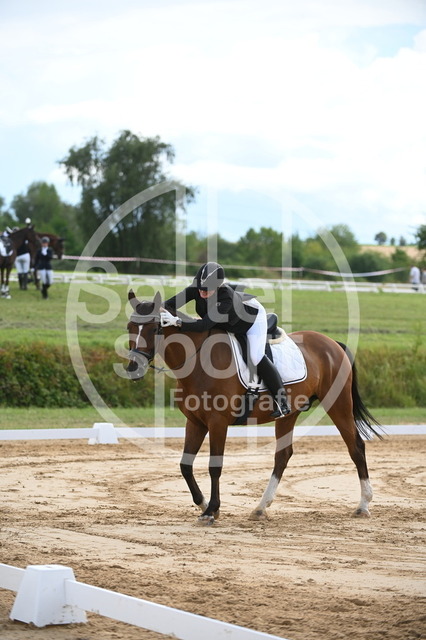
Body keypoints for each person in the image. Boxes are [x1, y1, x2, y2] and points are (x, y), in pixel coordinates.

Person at [161, 261, 290, 418]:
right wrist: (150, 310)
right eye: (200, 288)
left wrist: (178, 322)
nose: (202, 292)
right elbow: (168, 304)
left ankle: (282, 402)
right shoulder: (196, 289)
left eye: (207, 289)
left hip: (251, 322)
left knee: (255, 356)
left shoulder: (225, 297)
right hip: (225, 322)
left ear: (218, 286)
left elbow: (205, 325)